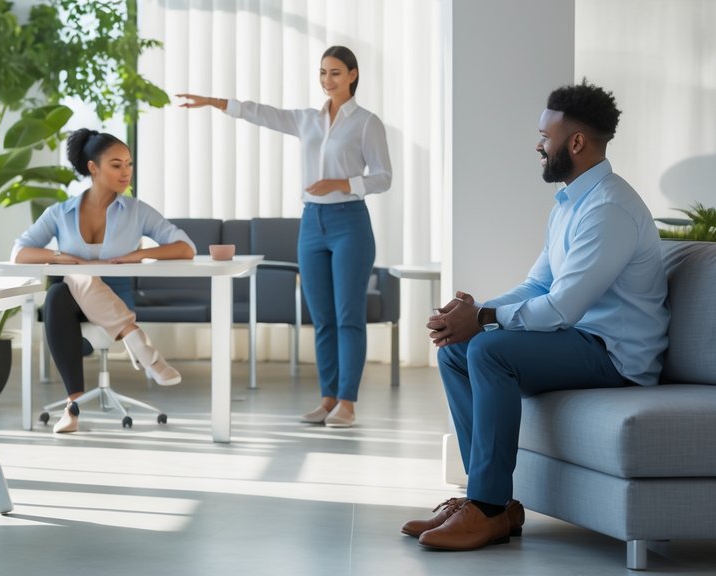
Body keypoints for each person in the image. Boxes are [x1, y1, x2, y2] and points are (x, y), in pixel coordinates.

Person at [406, 81, 669, 552]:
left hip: (614, 355)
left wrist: (484, 317)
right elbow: (536, 286)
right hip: (579, 339)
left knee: (488, 348)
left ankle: (487, 510)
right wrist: (472, 312)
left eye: (545, 137)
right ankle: (487, 501)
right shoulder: (571, 203)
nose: (538, 145)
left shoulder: (609, 208)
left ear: (576, 143)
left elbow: (564, 306)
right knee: (458, 350)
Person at [176, 45, 392, 428]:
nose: (328, 80)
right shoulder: (308, 119)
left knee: (348, 317)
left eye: (336, 73)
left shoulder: (366, 122)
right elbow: (263, 114)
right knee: (321, 318)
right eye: (323, 72)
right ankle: (327, 399)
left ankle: (347, 402)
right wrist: (215, 102)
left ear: (353, 75)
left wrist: (340, 182)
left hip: (350, 223)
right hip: (311, 223)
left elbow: (383, 177)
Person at [13, 128, 196, 434]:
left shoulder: (137, 211)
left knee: (65, 285)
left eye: (129, 164)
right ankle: (135, 347)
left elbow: (185, 247)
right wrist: (61, 257)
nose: (126, 172)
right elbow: (19, 252)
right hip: (73, 309)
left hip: (117, 299)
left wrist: (139, 255)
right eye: (116, 165)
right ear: (93, 168)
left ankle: (74, 406)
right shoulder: (61, 212)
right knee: (63, 288)